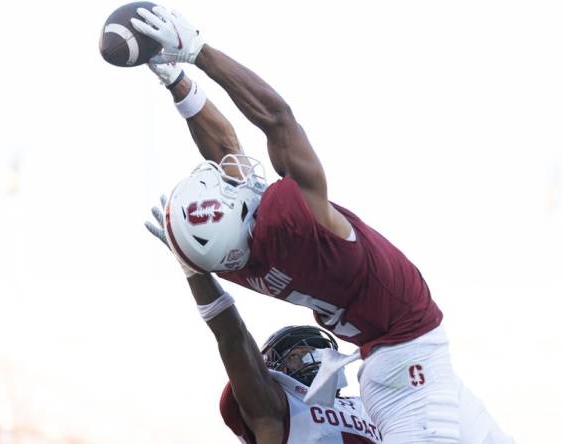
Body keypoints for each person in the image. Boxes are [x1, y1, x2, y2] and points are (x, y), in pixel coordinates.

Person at [131, 5, 515, 443]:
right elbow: (276, 117)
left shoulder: (230, 261)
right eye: (229, 186)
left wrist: (178, 86)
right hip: (406, 365)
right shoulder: (292, 222)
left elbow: (223, 149)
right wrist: (198, 53)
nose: (235, 174)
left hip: (397, 361)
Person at [144, 203, 381, 443]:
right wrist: (193, 269)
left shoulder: (369, 407)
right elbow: (232, 336)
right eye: (297, 355)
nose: (314, 359)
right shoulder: (273, 404)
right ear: (270, 363)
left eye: (314, 352)